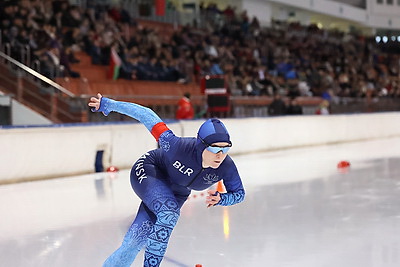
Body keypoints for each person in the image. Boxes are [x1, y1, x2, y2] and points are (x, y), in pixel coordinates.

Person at [88, 93, 245, 267]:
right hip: (151, 171)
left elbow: (239, 193)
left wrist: (222, 199)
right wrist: (109, 104)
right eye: (215, 149)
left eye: (226, 149)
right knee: (168, 214)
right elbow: (147, 115)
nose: (220, 155)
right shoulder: (178, 147)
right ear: (201, 147)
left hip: (177, 192)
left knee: (134, 242)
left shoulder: (226, 166)